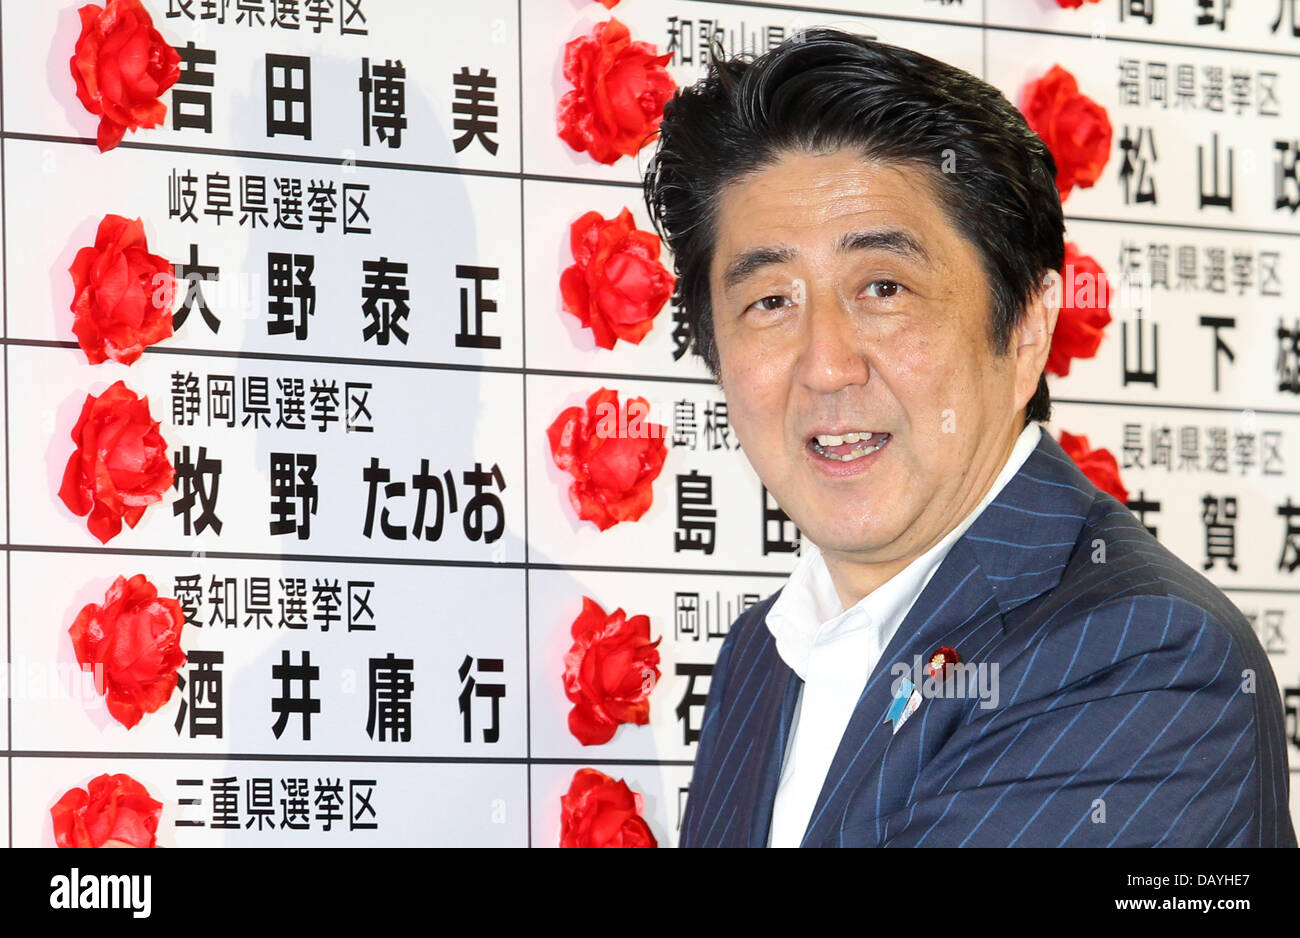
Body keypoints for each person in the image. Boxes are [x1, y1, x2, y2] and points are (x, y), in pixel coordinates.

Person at [642, 28, 1296, 848]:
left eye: (883, 287)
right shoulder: (763, 653)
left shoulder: (1146, 656)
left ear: (1025, 329)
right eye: (769, 301)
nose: (827, 367)